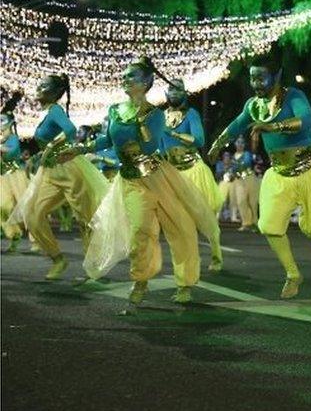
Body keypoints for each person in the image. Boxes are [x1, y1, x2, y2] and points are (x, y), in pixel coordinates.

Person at [73, 58, 218, 303]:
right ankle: (141, 280)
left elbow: (149, 145)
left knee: (181, 228)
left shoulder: (155, 115)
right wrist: (78, 149)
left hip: (158, 177)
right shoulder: (115, 111)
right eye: (125, 75)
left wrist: (141, 120)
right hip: (130, 180)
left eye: (131, 76)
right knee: (140, 231)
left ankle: (185, 283)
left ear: (146, 83)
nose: (125, 79)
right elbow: (106, 141)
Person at [209, 63, 311, 299]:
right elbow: (238, 124)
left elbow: (304, 119)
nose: (256, 84)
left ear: (277, 75)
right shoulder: (253, 106)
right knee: (269, 226)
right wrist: (218, 142)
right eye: (253, 79)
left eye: (261, 78)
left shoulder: (293, 96)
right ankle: (293, 274)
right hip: (279, 173)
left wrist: (272, 126)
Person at [7, 75, 108, 279]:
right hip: (50, 171)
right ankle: (58, 259)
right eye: (39, 83)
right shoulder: (47, 114)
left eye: (43, 86)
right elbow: (48, 141)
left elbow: (70, 130)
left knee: (85, 219)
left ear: (53, 92)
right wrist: (39, 154)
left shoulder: (55, 110)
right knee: (32, 213)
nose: (38, 87)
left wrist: (52, 146)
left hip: (69, 168)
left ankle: (95, 269)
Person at [161, 79, 224, 272]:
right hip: (173, 173)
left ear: (185, 93)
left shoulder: (191, 114)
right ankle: (186, 261)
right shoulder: (161, 116)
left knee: (205, 216)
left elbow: (199, 139)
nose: (174, 93)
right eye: (171, 88)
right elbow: (160, 146)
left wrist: (173, 135)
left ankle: (216, 254)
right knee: (179, 220)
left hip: (193, 170)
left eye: (178, 89)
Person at [1, 110, 29, 253]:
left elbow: (12, 153)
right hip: (2, 178)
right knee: (3, 207)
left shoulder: (13, 139)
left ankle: (36, 238)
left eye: (2, 121)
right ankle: (13, 234)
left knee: (25, 209)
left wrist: (1, 149)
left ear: (10, 124)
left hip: (16, 176)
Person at [230, 136, 260, 231]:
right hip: (239, 180)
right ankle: (246, 222)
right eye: (238, 143)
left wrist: (236, 168)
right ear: (235, 144)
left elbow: (247, 163)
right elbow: (233, 168)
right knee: (241, 201)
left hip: (249, 178)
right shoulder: (233, 156)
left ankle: (255, 222)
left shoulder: (247, 154)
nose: (240, 145)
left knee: (252, 201)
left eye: (242, 143)